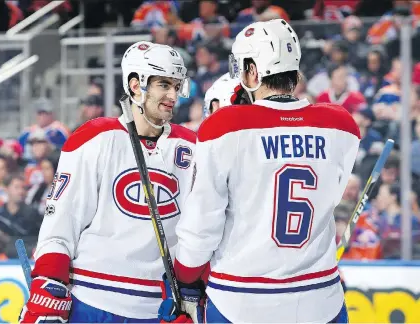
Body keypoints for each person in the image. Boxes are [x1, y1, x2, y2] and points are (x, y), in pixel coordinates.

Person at [159, 19, 360, 323]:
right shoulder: (340, 125)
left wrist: (185, 276)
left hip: (241, 301)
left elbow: (203, 224)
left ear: (253, 71)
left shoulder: (225, 126)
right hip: (321, 299)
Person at [19, 41, 197, 323]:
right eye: (164, 84)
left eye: (177, 86)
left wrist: (193, 295)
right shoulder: (95, 138)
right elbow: (61, 224)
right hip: (91, 299)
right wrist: (49, 284)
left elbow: (200, 232)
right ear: (136, 84)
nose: (173, 95)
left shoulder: (191, 148)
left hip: (158, 308)